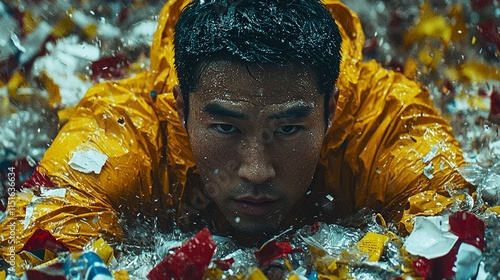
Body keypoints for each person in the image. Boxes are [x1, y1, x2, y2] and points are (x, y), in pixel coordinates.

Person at [1, 0, 471, 263]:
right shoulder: (129, 129)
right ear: (181, 107)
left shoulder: (384, 122)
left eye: (288, 128)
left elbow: (458, 218)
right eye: (225, 126)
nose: (257, 170)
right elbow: (45, 230)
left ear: (331, 107)